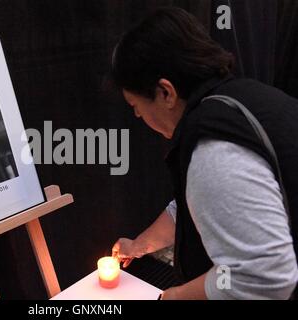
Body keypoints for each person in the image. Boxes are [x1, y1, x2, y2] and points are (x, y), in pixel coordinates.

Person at [110, 7, 298, 300]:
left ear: (166, 93)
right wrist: (141, 244)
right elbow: (206, 203)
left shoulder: (214, 147)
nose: (138, 117)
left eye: (136, 106)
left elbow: (264, 277)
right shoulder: (241, 99)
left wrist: (174, 297)